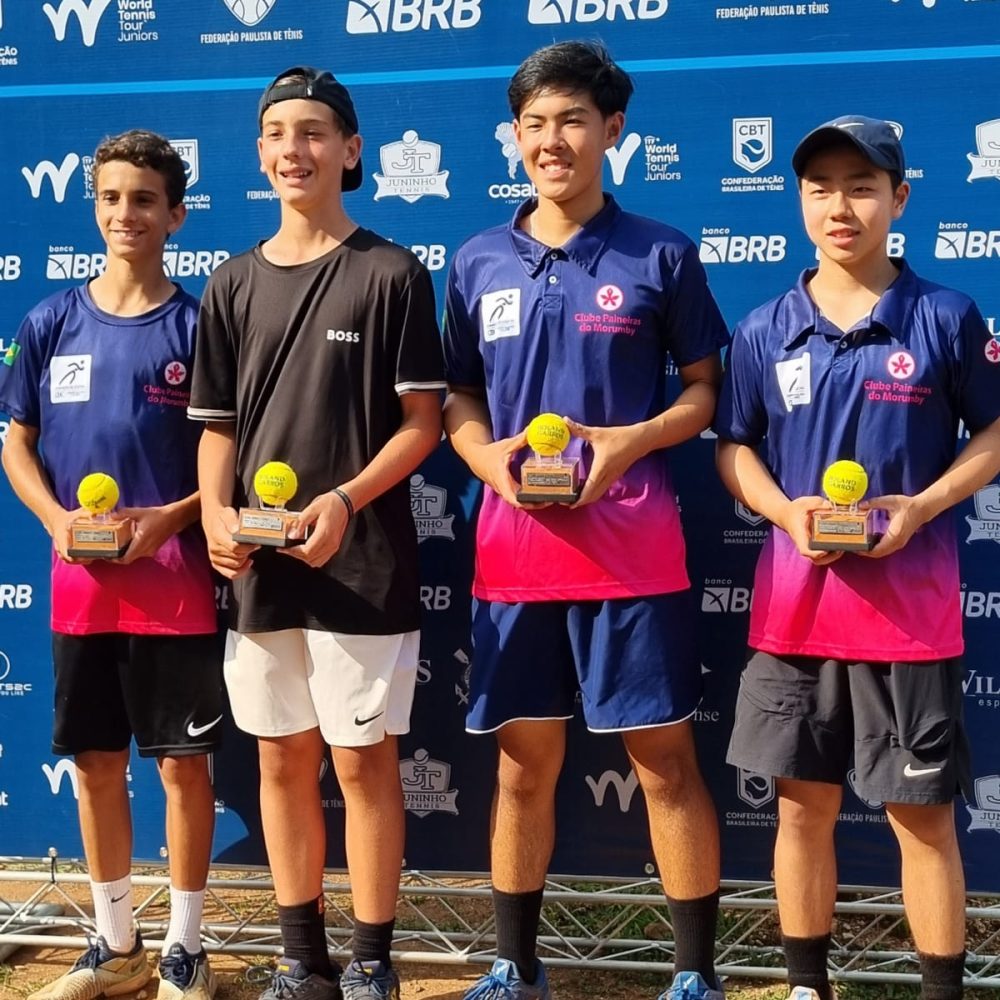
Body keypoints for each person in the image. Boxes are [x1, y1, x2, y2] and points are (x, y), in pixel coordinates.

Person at [443, 41, 727, 1000]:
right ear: (514, 137)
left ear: (613, 130)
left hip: (633, 558)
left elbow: (703, 391)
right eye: (534, 123)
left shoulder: (661, 252)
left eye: (571, 120)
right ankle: (514, 966)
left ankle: (693, 977)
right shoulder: (476, 259)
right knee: (522, 771)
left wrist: (630, 441)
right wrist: (485, 460)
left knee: (665, 765)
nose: (552, 140)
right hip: (513, 558)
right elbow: (458, 396)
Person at [714, 116, 1000, 1000]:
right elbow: (734, 447)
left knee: (924, 823)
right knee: (802, 813)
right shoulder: (764, 329)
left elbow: (993, 433)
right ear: (800, 201)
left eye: (863, 187)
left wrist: (921, 507)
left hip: (908, 623)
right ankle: (808, 988)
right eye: (822, 188)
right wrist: (782, 511)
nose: (841, 206)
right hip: (793, 618)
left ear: (899, 199)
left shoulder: (946, 316)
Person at [188, 66, 445, 1000]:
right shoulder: (230, 282)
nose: (292, 149)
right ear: (259, 153)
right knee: (280, 759)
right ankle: (305, 962)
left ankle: (373, 961)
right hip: (260, 571)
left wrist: (344, 500)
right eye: (276, 134)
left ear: (350, 149)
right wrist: (215, 515)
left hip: (361, 563)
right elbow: (216, 429)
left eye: (312, 132)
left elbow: (423, 423)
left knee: (364, 766)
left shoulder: (392, 273)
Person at [0, 130, 221, 1000]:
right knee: (95, 763)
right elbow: (16, 442)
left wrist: (169, 519)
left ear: (176, 215)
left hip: (176, 588)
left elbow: (229, 460)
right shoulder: (48, 321)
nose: (125, 213)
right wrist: (57, 519)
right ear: (94, 207)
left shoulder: (201, 326)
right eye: (111, 198)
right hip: (80, 591)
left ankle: (186, 949)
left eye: (143, 199)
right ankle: (117, 945)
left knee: (182, 769)